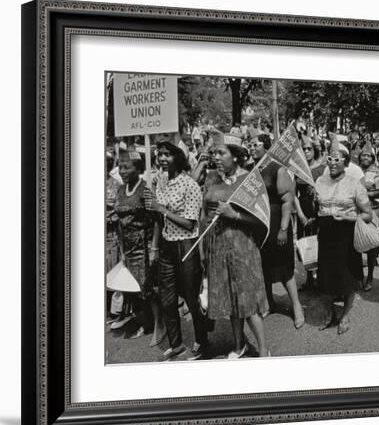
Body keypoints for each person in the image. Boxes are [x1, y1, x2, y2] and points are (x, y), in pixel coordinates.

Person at [143, 141, 213, 361]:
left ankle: (202, 341)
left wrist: (161, 209)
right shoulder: (159, 180)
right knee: (167, 299)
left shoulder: (189, 185)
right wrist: (155, 245)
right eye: (160, 154)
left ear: (178, 158)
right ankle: (176, 344)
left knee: (192, 298)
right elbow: (157, 217)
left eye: (167, 155)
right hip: (166, 246)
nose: (163, 158)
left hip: (186, 245)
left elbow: (191, 224)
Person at [201, 140, 269, 358]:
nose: (216, 157)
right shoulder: (212, 178)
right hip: (216, 245)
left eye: (221, 153)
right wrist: (203, 250)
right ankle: (240, 345)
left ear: (236, 156)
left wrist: (235, 215)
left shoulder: (249, 180)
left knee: (247, 301)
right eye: (214, 153)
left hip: (242, 247)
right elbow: (204, 214)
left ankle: (264, 350)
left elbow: (262, 219)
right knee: (231, 299)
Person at [314, 138, 372, 334]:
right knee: (326, 277)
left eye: (337, 159)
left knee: (348, 277)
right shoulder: (320, 181)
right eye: (330, 159)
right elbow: (318, 206)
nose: (332, 163)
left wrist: (348, 217)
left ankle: (345, 315)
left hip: (346, 236)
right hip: (326, 235)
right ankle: (331, 314)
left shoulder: (354, 184)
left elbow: (367, 214)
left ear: (346, 163)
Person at [249, 134, 306, 329]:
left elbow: (287, 201)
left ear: (266, 147)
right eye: (250, 144)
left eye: (256, 144)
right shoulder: (251, 170)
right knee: (263, 265)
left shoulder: (277, 169)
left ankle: (297, 307)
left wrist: (283, 229)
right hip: (259, 225)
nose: (252, 147)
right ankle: (270, 302)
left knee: (284, 267)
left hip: (277, 223)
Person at [113, 151, 166, 345]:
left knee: (148, 288)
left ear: (138, 169)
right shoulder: (120, 190)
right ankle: (147, 322)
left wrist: (153, 248)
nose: (122, 171)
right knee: (133, 288)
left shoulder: (145, 189)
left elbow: (157, 220)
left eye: (127, 167)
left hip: (144, 246)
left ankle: (160, 326)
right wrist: (121, 250)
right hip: (127, 246)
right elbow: (119, 221)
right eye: (120, 167)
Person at [294, 137, 326, 289]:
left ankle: (321, 278)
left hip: (319, 209)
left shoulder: (322, 169)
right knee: (304, 244)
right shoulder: (297, 169)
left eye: (309, 149)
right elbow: (293, 194)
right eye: (303, 149)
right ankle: (308, 279)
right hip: (303, 209)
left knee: (320, 243)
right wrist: (300, 215)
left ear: (315, 150)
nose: (306, 152)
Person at [358, 141, 379, 291]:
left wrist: (365, 192)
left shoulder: (377, 172)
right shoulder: (354, 170)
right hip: (357, 210)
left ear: (372, 158)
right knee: (357, 244)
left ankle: (370, 276)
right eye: (363, 155)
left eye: (368, 155)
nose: (366, 157)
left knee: (371, 246)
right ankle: (359, 276)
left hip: (373, 210)